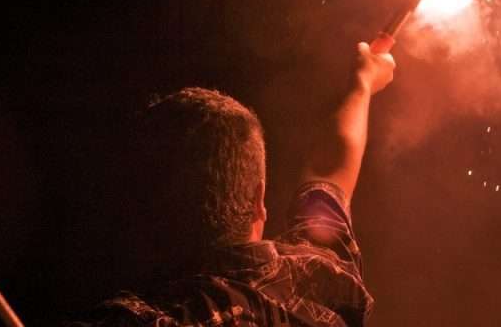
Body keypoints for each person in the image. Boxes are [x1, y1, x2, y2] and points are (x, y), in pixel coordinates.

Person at [71, 42, 395, 326]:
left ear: (145, 210)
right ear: (259, 200)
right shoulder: (319, 280)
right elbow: (331, 171)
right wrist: (362, 84)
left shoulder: (141, 319)